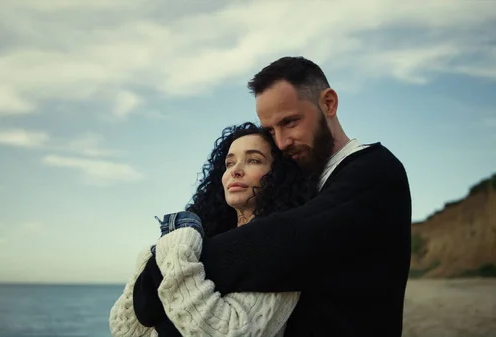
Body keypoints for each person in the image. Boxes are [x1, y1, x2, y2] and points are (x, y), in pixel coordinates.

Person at [132, 56, 412, 337]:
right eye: (270, 130)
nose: (280, 142)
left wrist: (162, 271)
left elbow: (287, 239)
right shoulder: (309, 183)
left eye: (290, 122)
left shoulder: (375, 172)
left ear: (328, 103)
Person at [109, 122, 317, 337]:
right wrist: (150, 258)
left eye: (253, 160)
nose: (235, 171)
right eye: (229, 163)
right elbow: (125, 330)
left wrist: (176, 253)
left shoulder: (281, 246)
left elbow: (231, 332)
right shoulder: (202, 243)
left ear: (280, 174)